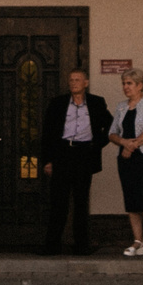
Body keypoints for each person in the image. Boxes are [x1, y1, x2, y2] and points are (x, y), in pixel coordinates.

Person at [38, 68, 106, 256]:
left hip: (84, 155)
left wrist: (96, 144)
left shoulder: (96, 103)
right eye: (71, 80)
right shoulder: (58, 103)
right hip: (62, 153)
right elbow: (48, 133)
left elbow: (110, 126)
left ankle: (81, 246)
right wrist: (48, 160)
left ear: (86, 83)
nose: (73, 83)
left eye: (77, 79)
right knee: (58, 202)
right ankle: (52, 245)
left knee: (81, 202)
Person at [110, 68, 143, 258]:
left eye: (129, 83)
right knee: (131, 199)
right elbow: (112, 133)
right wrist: (124, 143)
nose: (125, 87)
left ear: (139, 85)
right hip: (125, 158)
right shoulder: (121, 107)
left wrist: (133, 144)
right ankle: (138, 240)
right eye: (124, 83)